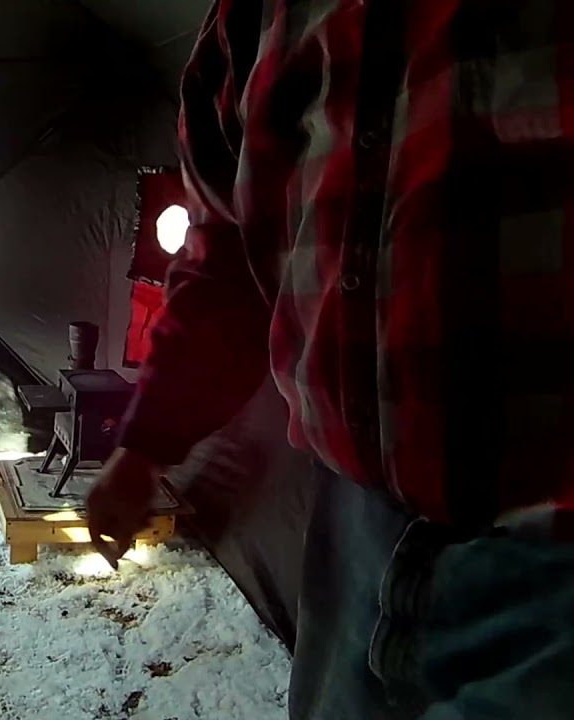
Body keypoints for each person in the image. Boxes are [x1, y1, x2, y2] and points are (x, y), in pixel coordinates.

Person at [86, 1, 574, 718]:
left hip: (549, 562)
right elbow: (223, 257)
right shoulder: (252, 21)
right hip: (351, 536)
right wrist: (144, 445)